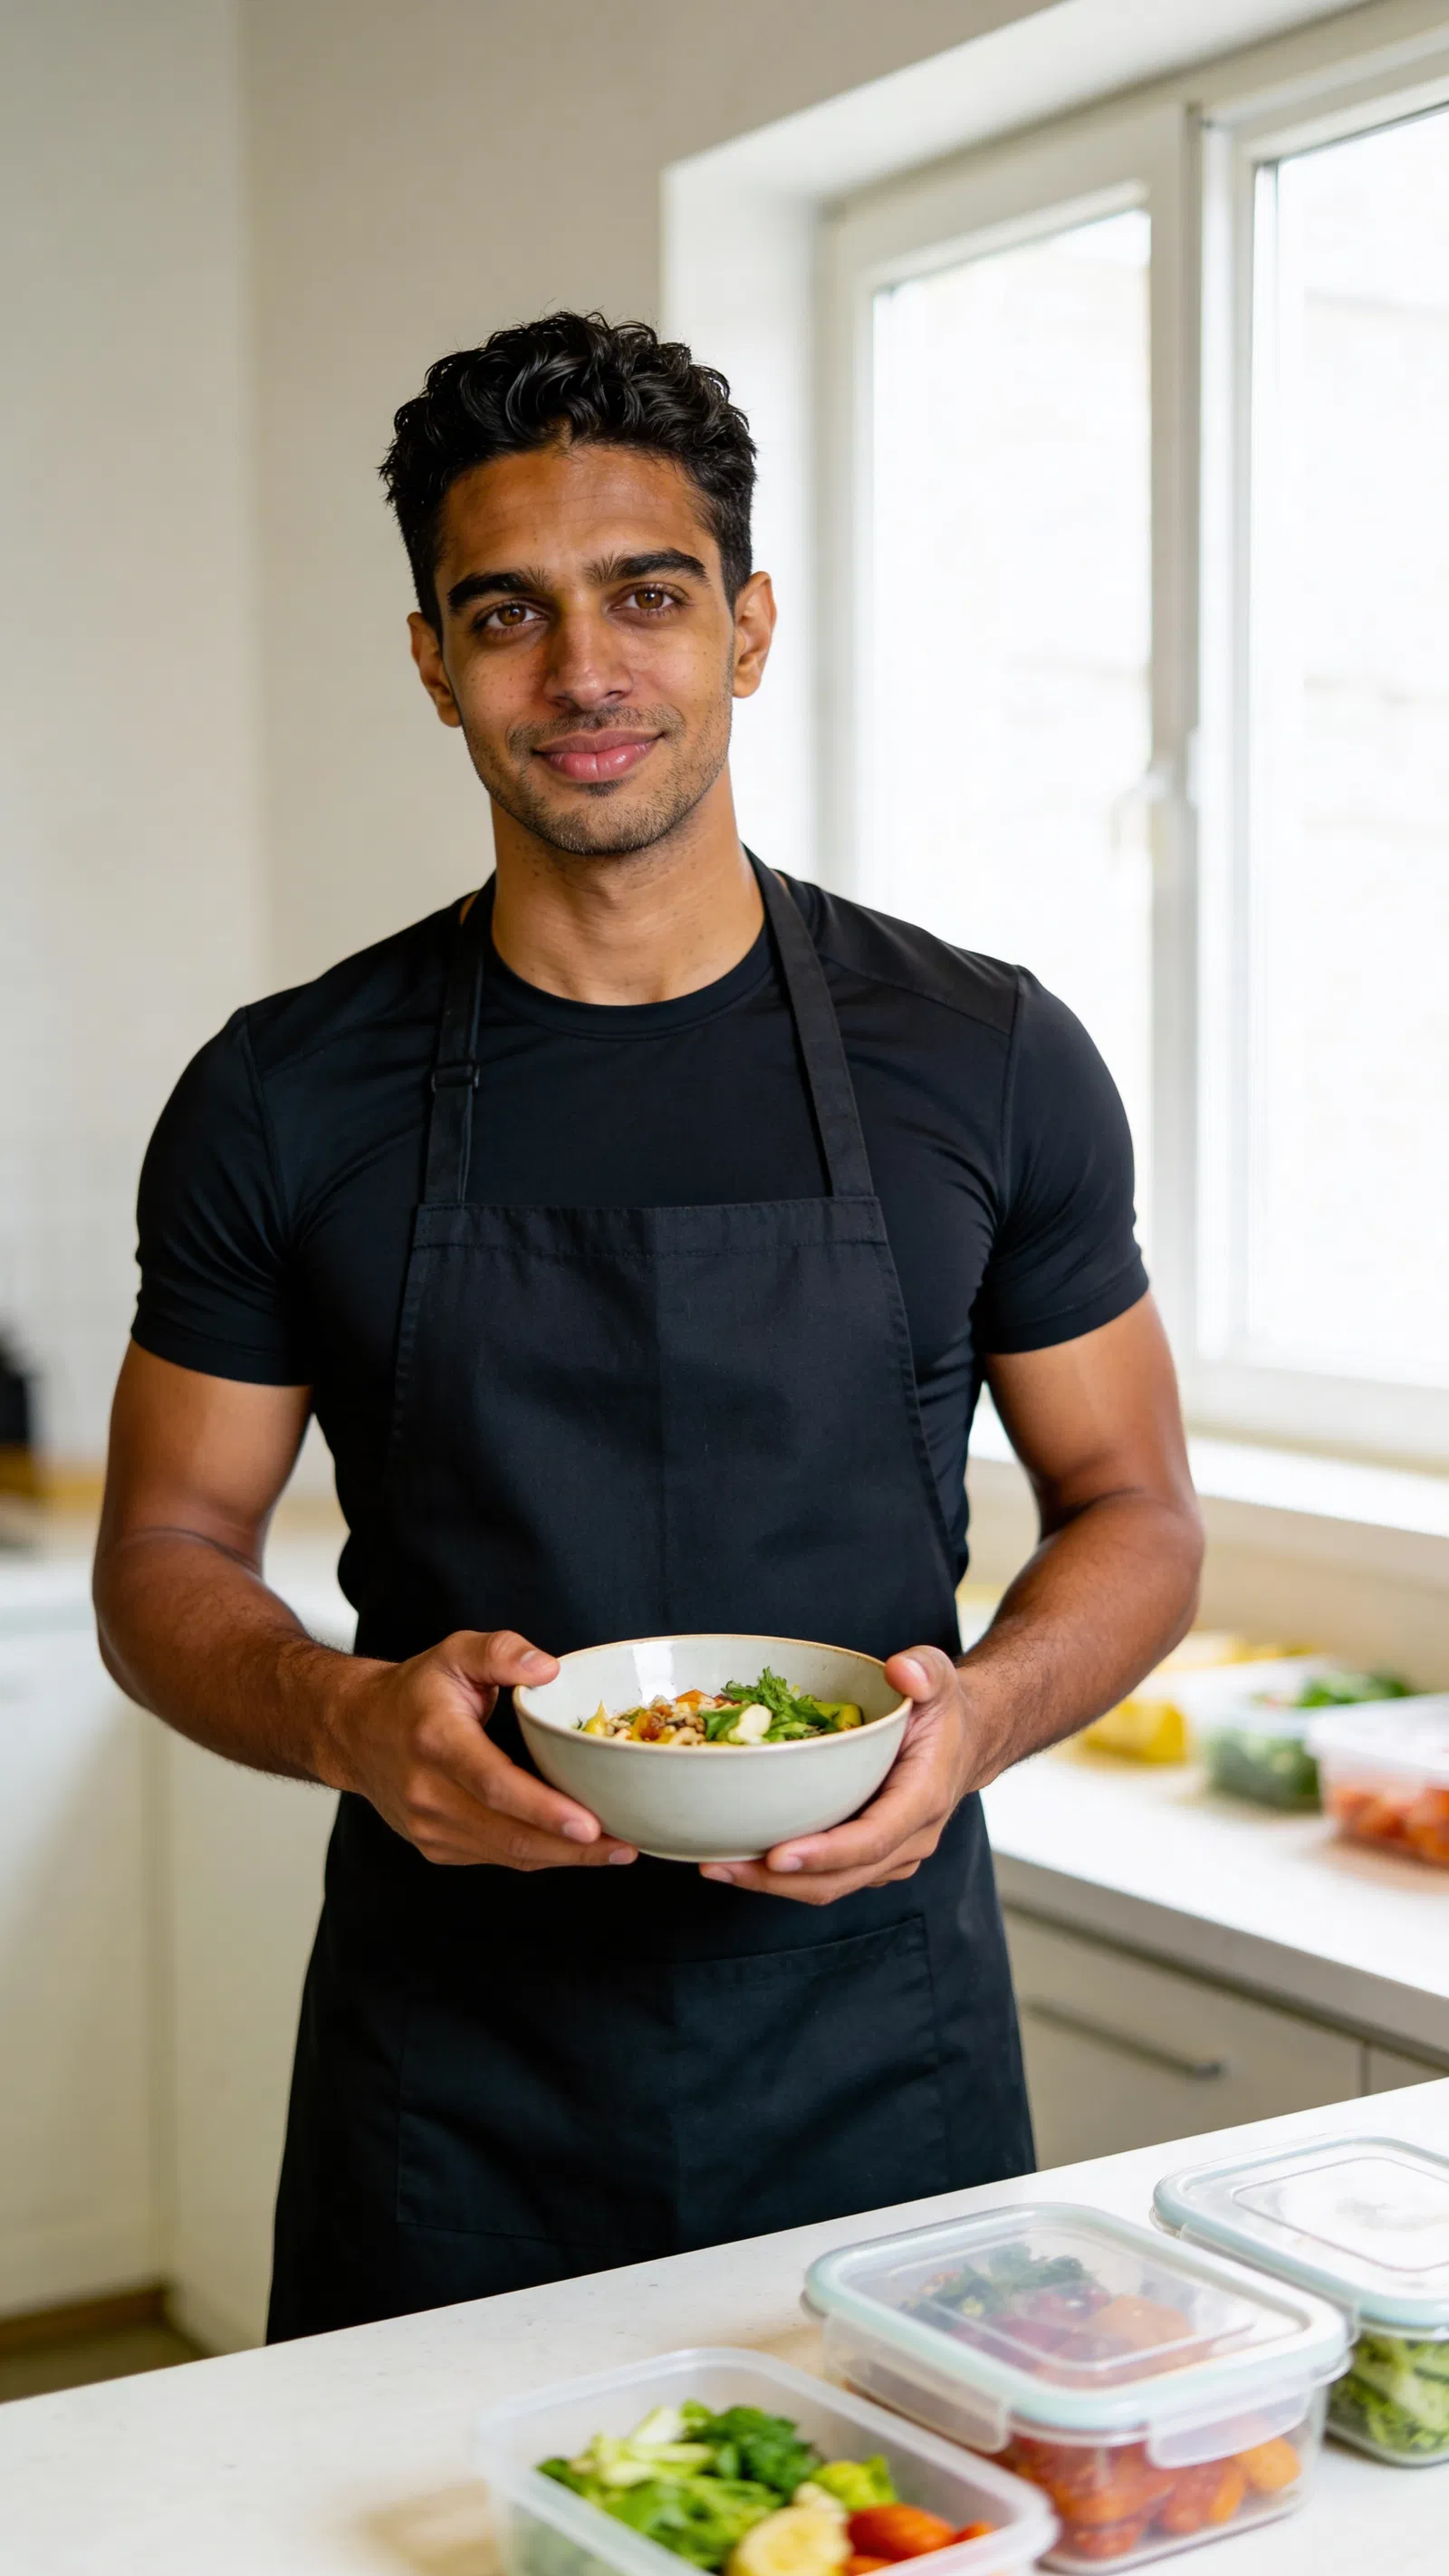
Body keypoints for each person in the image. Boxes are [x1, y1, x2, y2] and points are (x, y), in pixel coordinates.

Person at [94, 312, 1203, 2341]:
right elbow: (162, 1552)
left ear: (747, 628)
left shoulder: (985, 1059)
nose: (583, 670)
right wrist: (347, 1720)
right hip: (456, 2068)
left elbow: (1136, 1506)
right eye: (506, 612)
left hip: (875, 2041)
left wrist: (975, 1720)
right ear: (431, 660)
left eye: (649, 595)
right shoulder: (282, 1096)